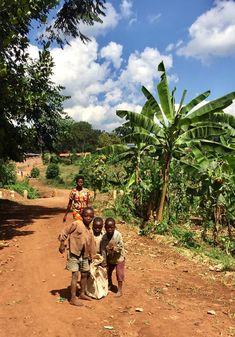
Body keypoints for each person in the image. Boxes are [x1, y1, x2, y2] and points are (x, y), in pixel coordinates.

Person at [58, 207, 96, 306]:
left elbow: (91, 245)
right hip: (74, 254)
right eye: (86, 216)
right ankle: (73, 298)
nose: (88, 218)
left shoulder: (90, 230)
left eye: (90, 216)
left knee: (84, 274)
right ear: (82, 216)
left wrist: (92, 256)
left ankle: (82, 293)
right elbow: (65, 231)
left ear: (93, 217)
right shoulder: (77, 224)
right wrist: (62, 243)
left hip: (84, 256)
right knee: (75, 275)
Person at [100, 218, 125, 297]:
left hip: (119, 257)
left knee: (119, 273)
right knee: (108, 271)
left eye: (112, 227)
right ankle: (109, 284)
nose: (110, 229)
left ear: (115, 227)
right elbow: (103, 251)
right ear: (105, 227)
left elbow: (120, 247)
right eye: (108, 227)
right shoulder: (104, 238)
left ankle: (120, 290)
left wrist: (114, 249)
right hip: (110, 257)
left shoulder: (118, 235)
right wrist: (104, 262)